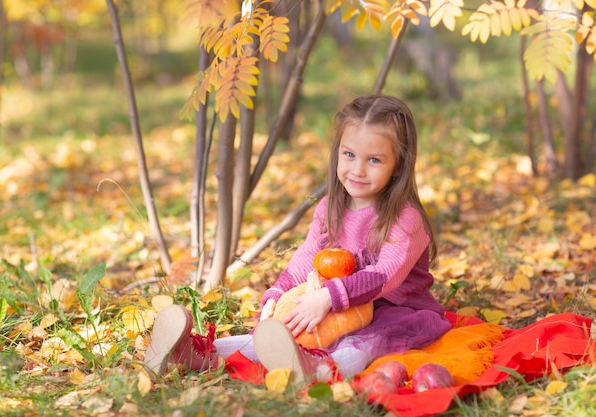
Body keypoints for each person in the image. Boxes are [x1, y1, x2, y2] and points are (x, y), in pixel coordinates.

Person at [144, 94, 452, 383]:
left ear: (398, 166)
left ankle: (317, 368)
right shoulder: (330, 207)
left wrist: (327, 297)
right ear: (337, 153)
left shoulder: (404, 218)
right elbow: (305, 259)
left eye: (374, 160)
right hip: (339, 306)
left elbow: (385, 276)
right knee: (281, 331)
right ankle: (196, 354)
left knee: (363, 343)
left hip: (395, 313)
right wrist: (276, 296)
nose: (357, 169)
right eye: (349, 155)